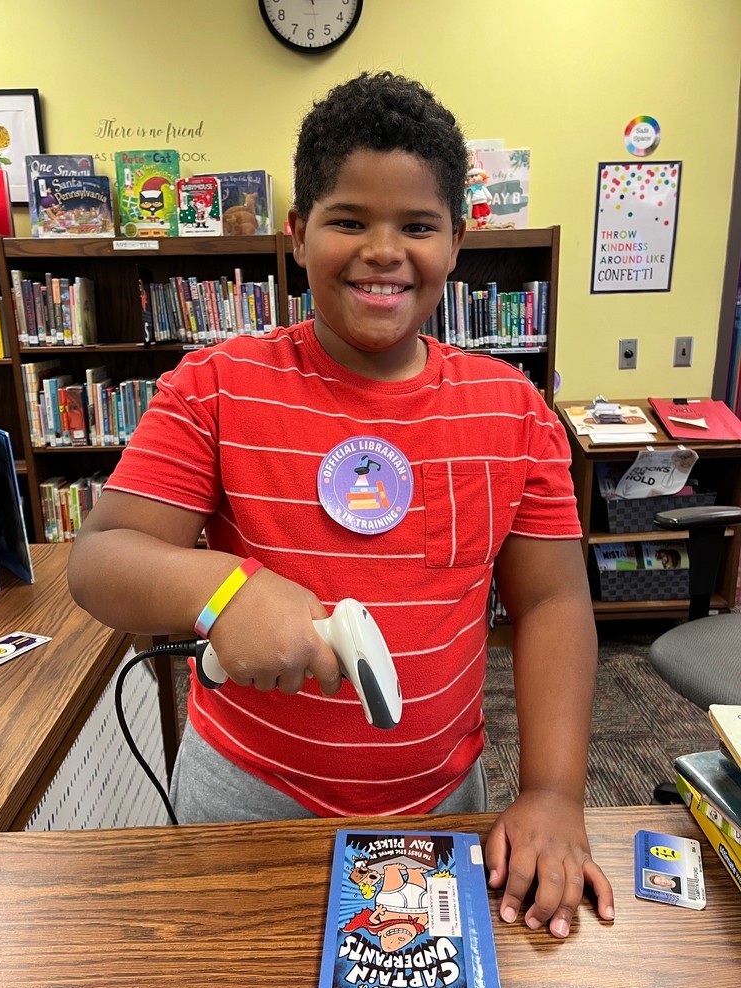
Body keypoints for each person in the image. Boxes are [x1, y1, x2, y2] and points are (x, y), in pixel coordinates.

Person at [68, 71, 614, 941]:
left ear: (458, 242)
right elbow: (100, 561)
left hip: (442, 800)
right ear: (297, 235)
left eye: (418, 226)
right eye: (349, 220)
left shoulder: (510, 407)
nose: (384, 250)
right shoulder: (214, 387)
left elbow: (551, 600)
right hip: (244, 795)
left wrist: (552, 791)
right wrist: (224, 590)